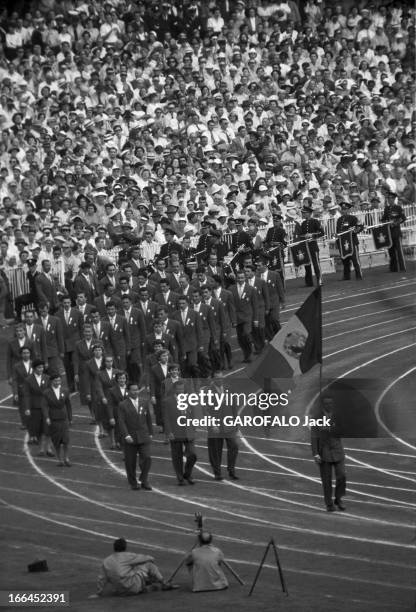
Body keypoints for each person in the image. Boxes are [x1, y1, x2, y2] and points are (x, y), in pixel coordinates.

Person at [96, 538, 177, 597]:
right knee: (149, 565)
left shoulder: (106, 561)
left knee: (133, 569)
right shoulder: (128, 556)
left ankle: (147, 584)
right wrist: (150, 561)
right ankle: (163, 583)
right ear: (125, 547)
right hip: (132, 587)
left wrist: (98, 593)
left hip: (120, 591)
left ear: (114, 547)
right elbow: (149, 558)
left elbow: (102, 578)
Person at [311, 396, 346, 512]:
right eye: (326, 403)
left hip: (337, 450)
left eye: (330, 403)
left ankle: (338, 498)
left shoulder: (338, 416)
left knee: (341, 475)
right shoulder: (316, 418)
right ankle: (329, 503)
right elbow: (314, 436)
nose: (329, 405)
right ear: (323, 405)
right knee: (326, 480)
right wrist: (315, 453)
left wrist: (330, 429)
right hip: (324, 451)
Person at [118, 382, 153, 490]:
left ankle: (144, 479)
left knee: (147, 458)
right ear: (128, 391)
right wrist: (126, 435)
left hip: (143, 435)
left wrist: (151, 433)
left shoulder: (144, 402)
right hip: (130, 437)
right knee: (130, 462)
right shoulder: (123, 405)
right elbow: (121, 421)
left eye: (137, 389)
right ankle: (133, 482)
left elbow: (148, 419)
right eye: (133, 390)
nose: (135, 392)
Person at [163, 379, 197, 485]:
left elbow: (193, 413)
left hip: (188, 431)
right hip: (175, 431)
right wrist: (169, 432)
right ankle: (180, 478)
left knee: (192, 454)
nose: (181, 390)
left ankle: (187, 473)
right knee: (177, 456)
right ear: (175, 389)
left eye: (182, 389)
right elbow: (166, 418)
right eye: (179, 389)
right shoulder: (168, 401)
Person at [42, 373, 72, 467]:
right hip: (54, 419)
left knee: (66, 440)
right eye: (55, 381)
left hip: (64, 418)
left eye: (59, 380)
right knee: (57, 440)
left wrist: (70, 418)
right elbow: (44, 406)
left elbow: (68, 405)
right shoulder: (46, 393)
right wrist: (47, 417)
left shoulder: (65, 390)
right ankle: (59, 459)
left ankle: (66, 458)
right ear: (51, 381)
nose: (58, 382)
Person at [335, 202, 364, 281]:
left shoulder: (353, 218)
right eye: (342, 209)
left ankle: (358, 275)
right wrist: (337, 235)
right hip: (343, 243)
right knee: (345, 260)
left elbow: (360, 226)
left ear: (348, 209)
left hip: (352, 241)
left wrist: (354, 230)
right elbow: (338, 231)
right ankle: (346, 276)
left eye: (345, 209)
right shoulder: (339, 220)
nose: (344, 211)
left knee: (355, 260)